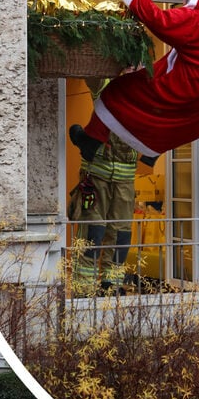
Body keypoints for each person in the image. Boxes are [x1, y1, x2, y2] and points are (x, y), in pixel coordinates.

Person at [69, 0, 199, 166]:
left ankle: (91, 139)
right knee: (178, 125)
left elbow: (158, 20)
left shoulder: (198, 20)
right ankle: (151, 152)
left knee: (118, 93)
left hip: (177, 90)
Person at [72, 78, 138, 295]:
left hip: (125, 181)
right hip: (96, 177)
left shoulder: (146, 95)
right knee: (93, 231)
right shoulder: (107, 86)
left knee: (121, 234)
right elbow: (94, 76)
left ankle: (112, 283)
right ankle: (84, 289)